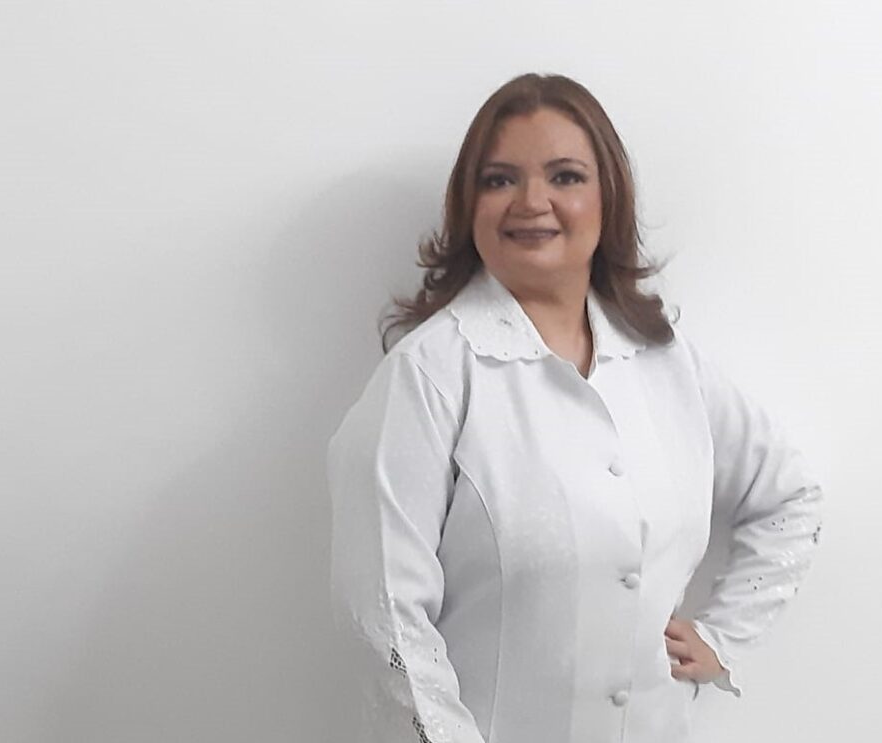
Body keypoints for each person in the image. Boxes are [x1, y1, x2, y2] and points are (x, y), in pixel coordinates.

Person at [327, 72, 824, 743]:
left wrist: (723, 638)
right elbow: (385, 619)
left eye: (565, 176)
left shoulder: (666, 362)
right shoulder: (429, 376)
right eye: (499, 179)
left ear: (608, 198)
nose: (532, 202)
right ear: (469, 205)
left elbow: (791, 498)